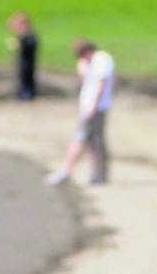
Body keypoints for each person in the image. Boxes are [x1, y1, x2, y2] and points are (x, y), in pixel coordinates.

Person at [46, 38, 115, 186]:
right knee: (94, 141)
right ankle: (99, 174)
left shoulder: (102, 59)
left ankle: (66, 170)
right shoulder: (93, 62)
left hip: (95, 108)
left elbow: (101, 85)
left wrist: (94, 106)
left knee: (81, 139)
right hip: (90, 107)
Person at [7, 10, 39, 99]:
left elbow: (28, 47)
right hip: (23, 62)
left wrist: (18, 45)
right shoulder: (23, 35)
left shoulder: (29, 35)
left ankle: (27, 96)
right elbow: (11, 26)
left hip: (27, 63)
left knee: (26, 81)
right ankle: (23, 95)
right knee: (22, 81)